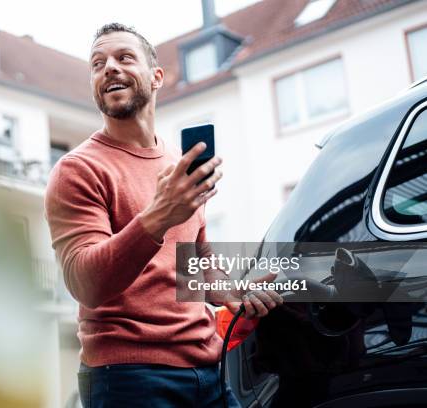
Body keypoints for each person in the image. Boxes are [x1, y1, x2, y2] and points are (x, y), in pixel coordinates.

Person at [45, 23, 283, 408]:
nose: (109, 68)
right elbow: (84, 282)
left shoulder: (177, 164)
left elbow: (194, 263)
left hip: (209, 368)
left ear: (156, 77)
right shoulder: (77, 170)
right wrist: (158, 216)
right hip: (128, 379)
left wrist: (227, 290)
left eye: (124, 58)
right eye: (97, 64)